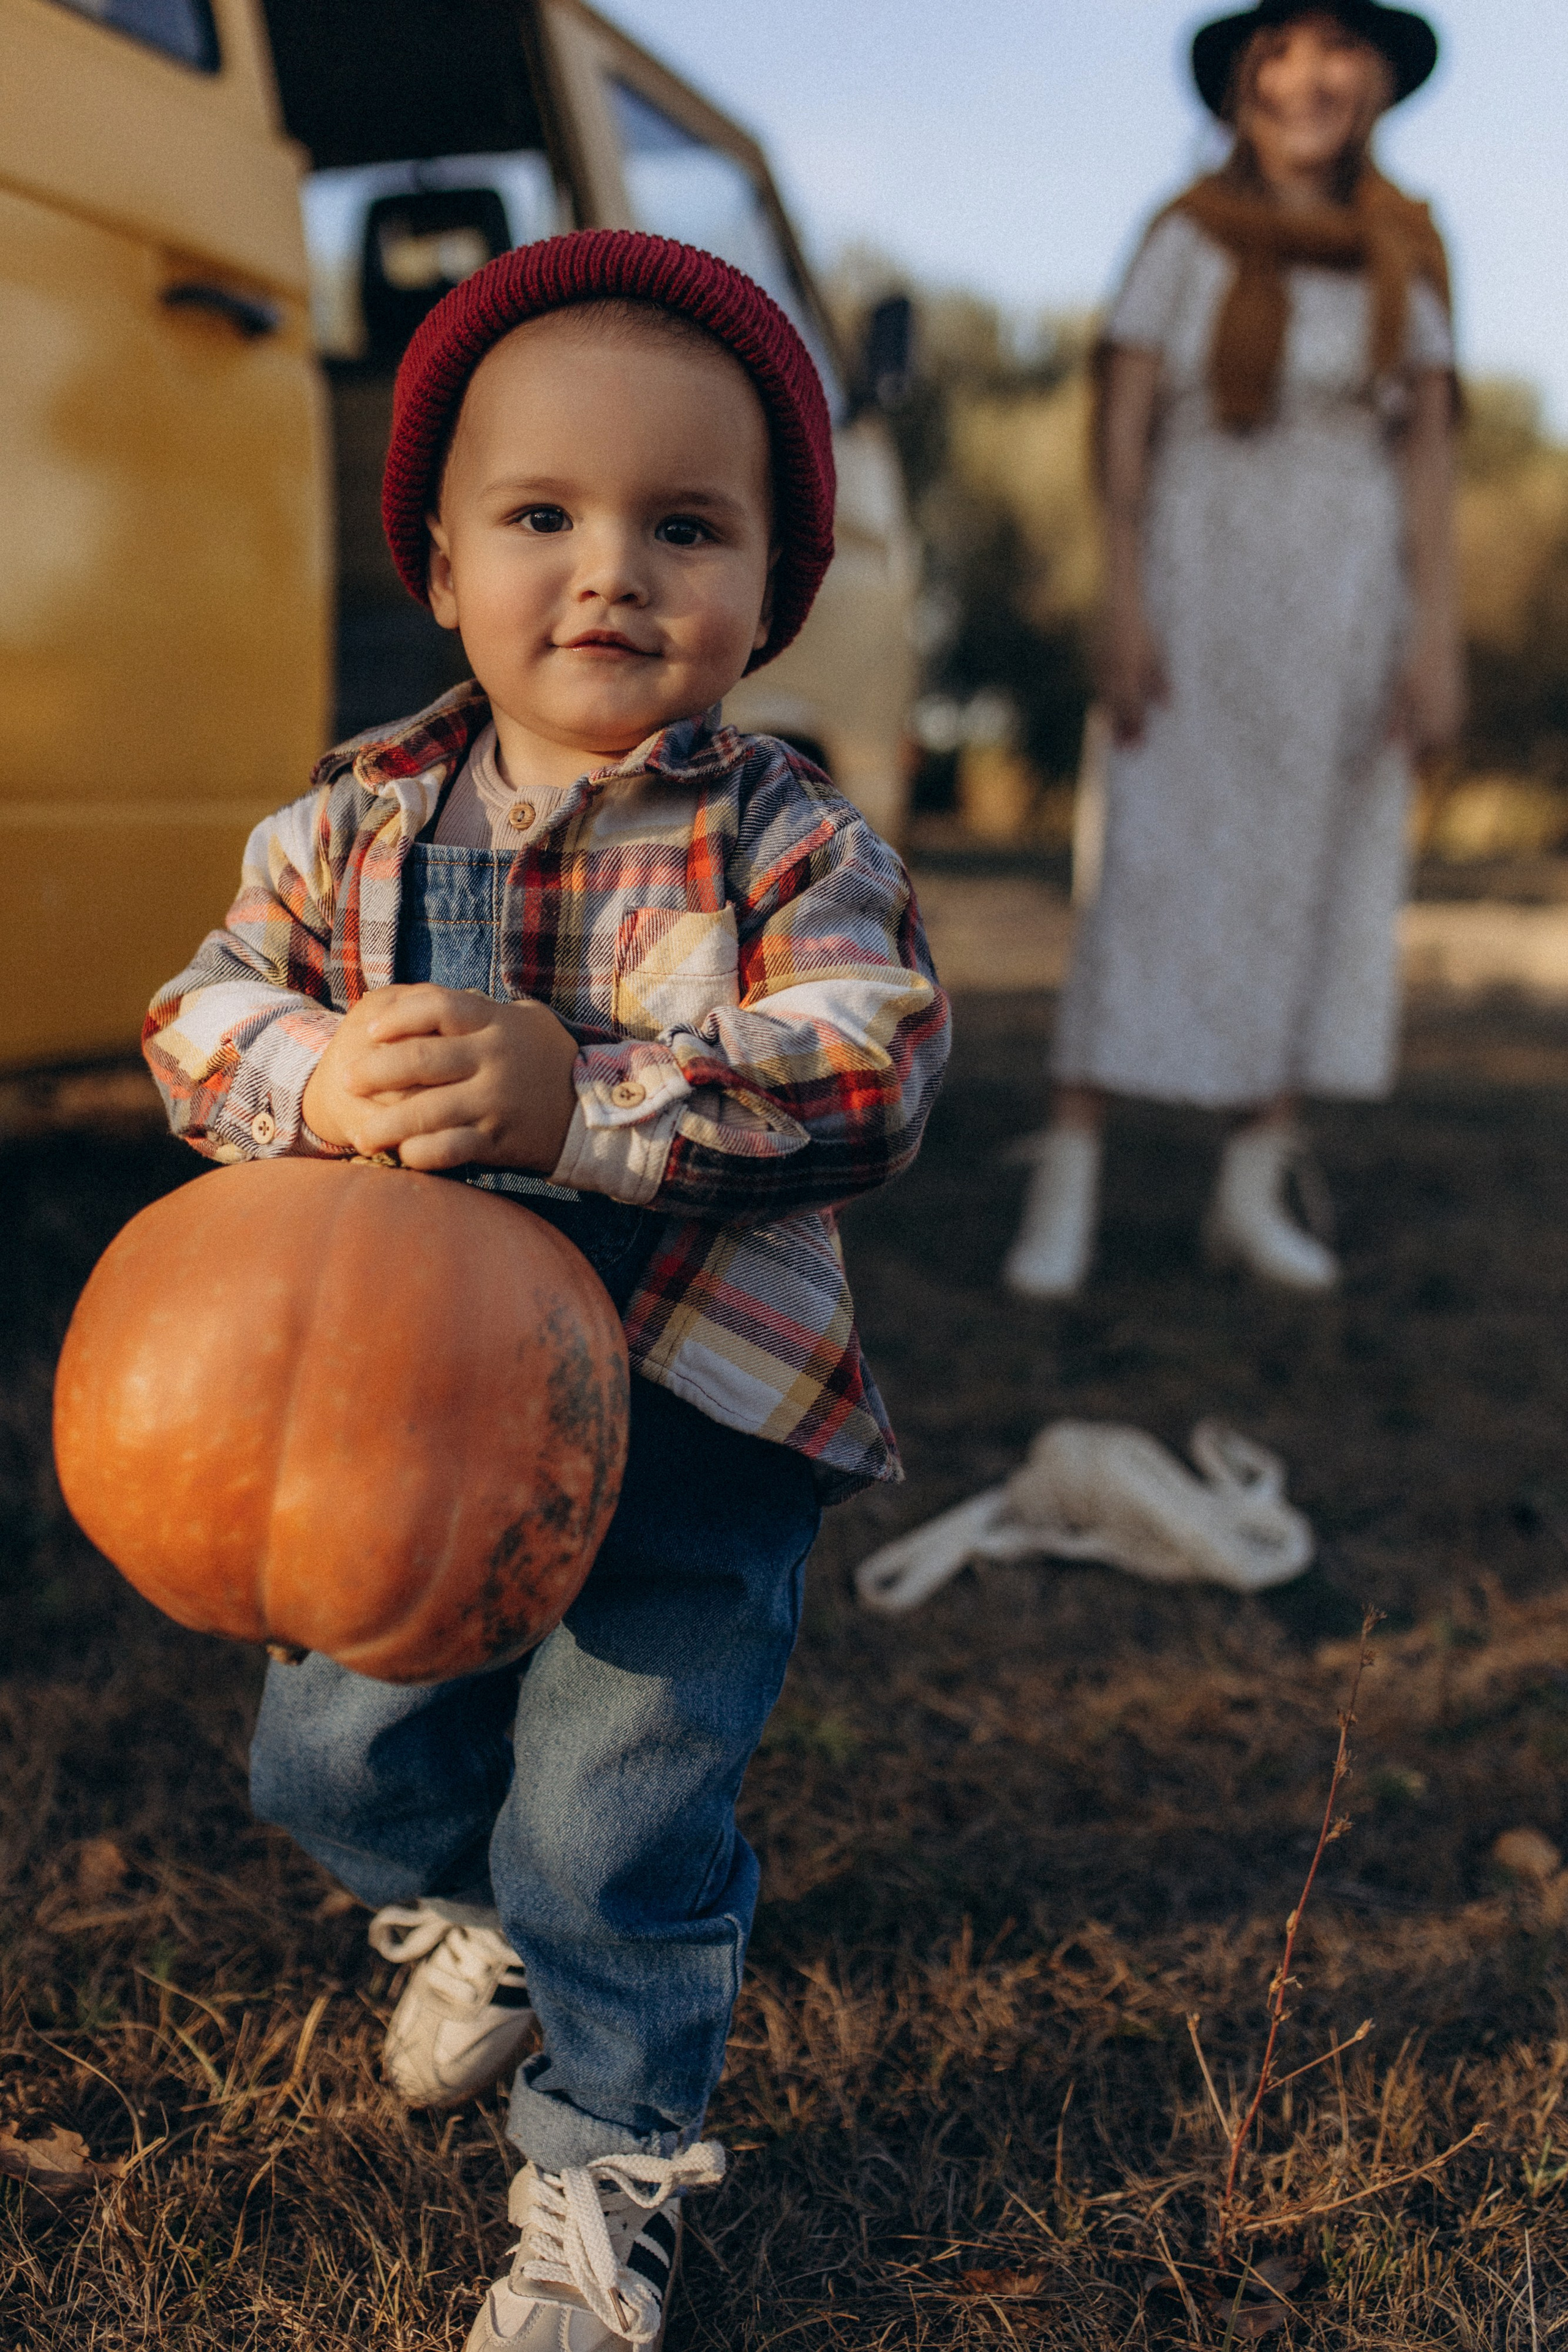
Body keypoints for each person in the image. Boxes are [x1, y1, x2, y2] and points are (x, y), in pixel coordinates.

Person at [142, 231, 949, 2352]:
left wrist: (583, 1103)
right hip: (394, 1432)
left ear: (771, 595)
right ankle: (462, 1921)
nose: (608, 574)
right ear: (437, 564)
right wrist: (313, 1067)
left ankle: (607, 2165)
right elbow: (192, 1026)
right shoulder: (347, 834)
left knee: (617, 1815)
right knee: (330, 1756)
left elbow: (875, 1062)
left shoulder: (787, 841)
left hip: (690, 1429)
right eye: (541, 517)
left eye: (685, 527)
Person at [1006, 0, 1461, 1299]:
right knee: (1146, 859)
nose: (1309, 77)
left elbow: (1424, 452)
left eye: (1336, 50)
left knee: (1310, 877)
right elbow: (1125, 422)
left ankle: (1250, 1185)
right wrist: (1122, 600)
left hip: (1343, 597)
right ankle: (1066, 1181)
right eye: (1280, 50)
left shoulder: (1406, 248)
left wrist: (1432, 639)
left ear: (1372, 78)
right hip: (1200, 580)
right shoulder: (1184, 236)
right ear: (1240, 82)